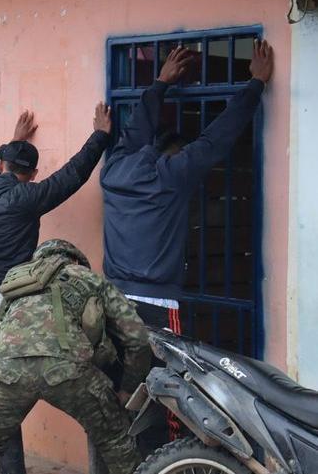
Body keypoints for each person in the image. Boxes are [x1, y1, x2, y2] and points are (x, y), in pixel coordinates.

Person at [99, 39, 274, 451]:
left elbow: (134, 130)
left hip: (109, 299)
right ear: (171, 157)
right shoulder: (170, 177)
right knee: (171, 393)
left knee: (119, 391)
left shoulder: (115, 170)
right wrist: (255, 86)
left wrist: (159, 83)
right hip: (157, 306)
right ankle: (167, 460)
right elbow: (215, 141)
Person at [0, 103, 114, 472]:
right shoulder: (30, 197)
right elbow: (73, 175)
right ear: (34, 172)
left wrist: (12, 142)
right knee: (5, 399)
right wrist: (100, 134)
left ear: (3, 166)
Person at [0, 239, 151, 474]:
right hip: (68, 369)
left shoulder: (17, 278)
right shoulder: (89, 277)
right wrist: (128, 389)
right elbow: (137, 337)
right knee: (115, 441)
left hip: (8, 371)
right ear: (75, 259)